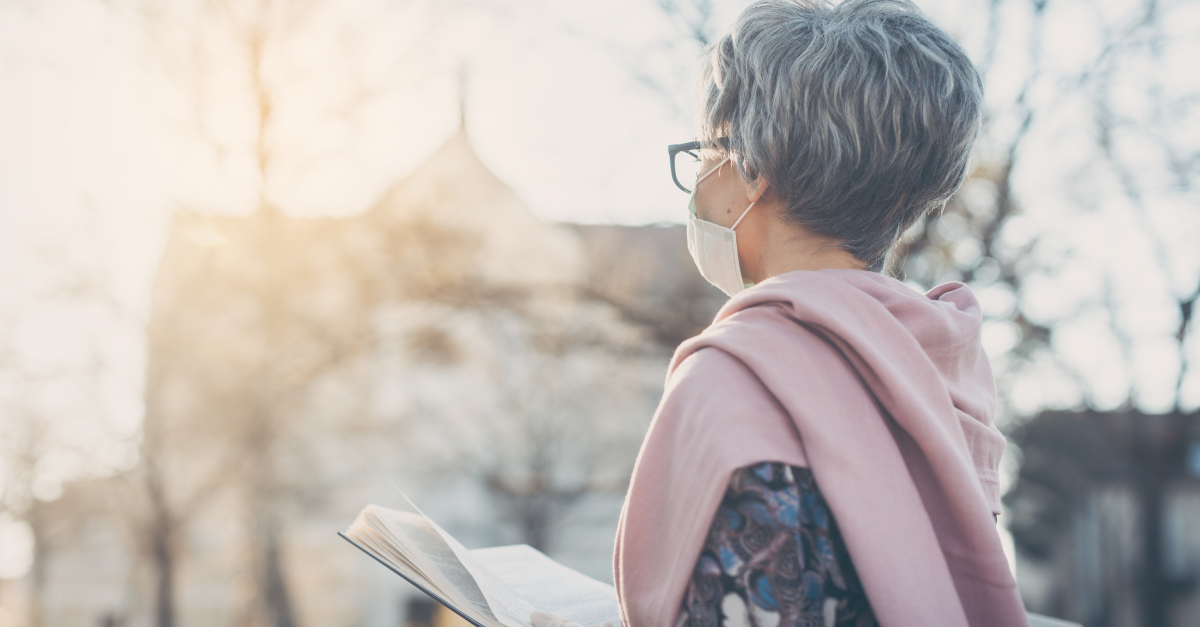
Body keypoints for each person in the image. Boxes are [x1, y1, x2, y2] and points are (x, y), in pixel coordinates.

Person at [534, 0, 1027, 625]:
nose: (699, 179)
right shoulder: (948, 366)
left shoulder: (733, 380)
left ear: (752, 167)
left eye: (704, 152)